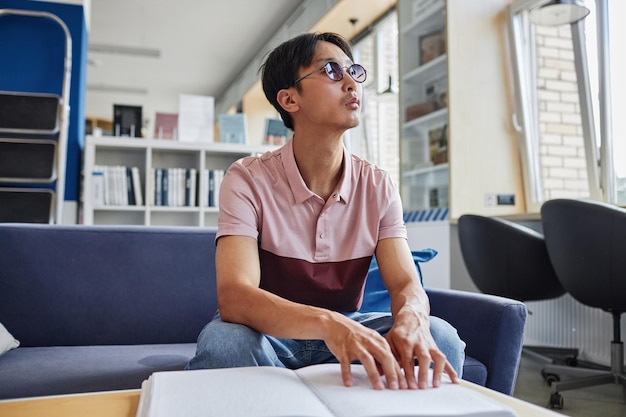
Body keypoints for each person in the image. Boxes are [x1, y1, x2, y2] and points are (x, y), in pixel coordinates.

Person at [186, 32, 465, 390]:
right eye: (332, 71)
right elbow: (235, 298)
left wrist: (411, 318)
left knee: (440, 335)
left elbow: (406, 283)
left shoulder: (377, 185)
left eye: (354, 71)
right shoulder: (246, 179)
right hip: (268, 335)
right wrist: (328, 324)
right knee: (224, 342)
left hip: (351, 325)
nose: (352, 84)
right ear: (289, 99)